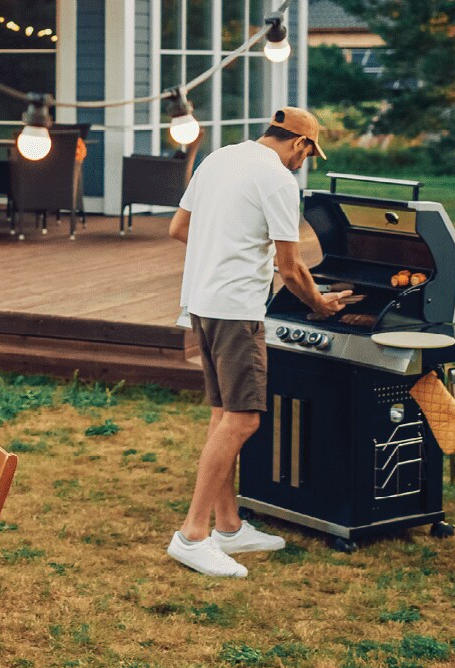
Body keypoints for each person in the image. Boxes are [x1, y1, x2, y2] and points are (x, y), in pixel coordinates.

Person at [164, 107, 353, 577]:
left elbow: (179, 228)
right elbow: (291, 268)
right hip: (236, 312)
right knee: (244, 420)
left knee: (223, 414)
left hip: (203, 304)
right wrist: (321, 304)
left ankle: (229, 527)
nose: (302, 163)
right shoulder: (278, 180)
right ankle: (192, 535)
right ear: (300, 144)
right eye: (307, 154)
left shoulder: (218, 158)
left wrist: (226, 254)